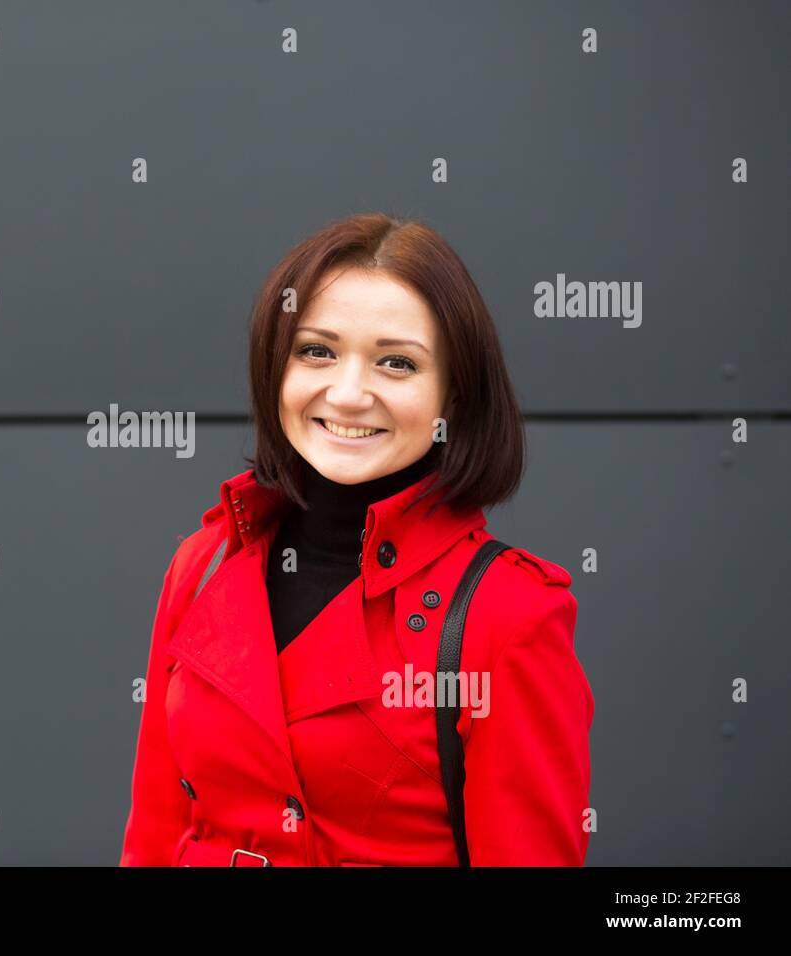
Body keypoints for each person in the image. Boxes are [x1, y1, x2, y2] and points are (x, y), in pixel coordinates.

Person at [119, 212, 594, 866]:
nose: (347, 394)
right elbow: (152, 836)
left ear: (453, 397)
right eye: (316, 350)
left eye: (396, 363)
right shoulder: (203, 566)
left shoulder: (507, 615)